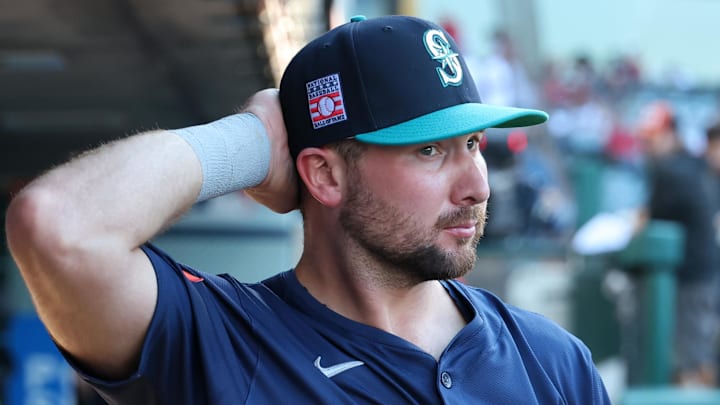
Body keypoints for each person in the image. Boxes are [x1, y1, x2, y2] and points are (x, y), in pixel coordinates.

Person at [5, 15, 610, 403]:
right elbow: (56, 225)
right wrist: (247, 140)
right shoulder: (224, 344)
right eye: (429, 150)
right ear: (324, 174)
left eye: (473, 145)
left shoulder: (553, 362)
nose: (476, 185)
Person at [636, 100, 720, 387]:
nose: (649, 146)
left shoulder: (673, 169)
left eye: (654, 138)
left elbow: (649, 218)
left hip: (691, 277)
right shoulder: (691, 163)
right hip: (699, 273)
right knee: (693, 355)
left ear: (671, 134)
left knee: (691, 361)